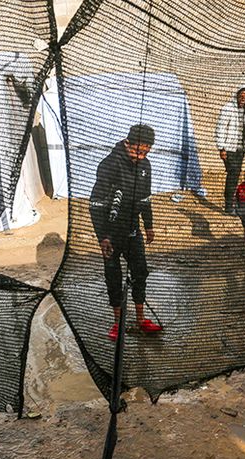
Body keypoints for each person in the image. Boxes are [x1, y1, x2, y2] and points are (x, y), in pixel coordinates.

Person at [89, 124, 163, 341]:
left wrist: (148, 225)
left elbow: (145, 198)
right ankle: (117, 322)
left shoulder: (145, 166)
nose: (141, 156)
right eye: (138, 151)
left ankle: (141, 320)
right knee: (114, 276)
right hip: (110, 235)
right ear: (127, 143)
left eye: (146, 152)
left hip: (133, 231)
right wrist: (102, 236)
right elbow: (95, 204)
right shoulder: (109, 165)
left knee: (140, 273)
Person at [215, 87, 245, 213]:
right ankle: (229, 206)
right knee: (232, 176)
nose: (243, 99)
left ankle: (231, 203)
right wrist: (222, 148)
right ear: (237, 95)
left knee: (235, 176)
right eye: (242, 96)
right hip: (230, 149)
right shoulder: (228, 108)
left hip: (240, 150)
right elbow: (221, 128)